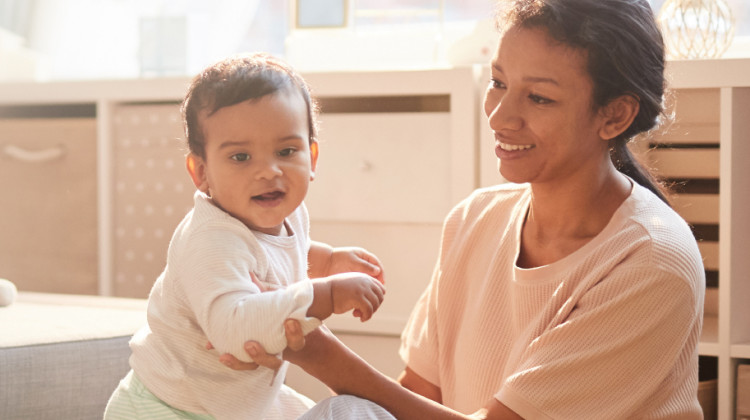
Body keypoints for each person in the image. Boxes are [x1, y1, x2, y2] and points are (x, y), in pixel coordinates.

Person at [221, 0, 706, 419]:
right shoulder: (476, 220)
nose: (499, 115)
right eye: (498, 83)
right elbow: (414, 397)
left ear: (614, 114)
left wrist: (314, 349)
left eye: (538, 97)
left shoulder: (652, 262)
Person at [103, 53, 386, 420]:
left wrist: (327, 260)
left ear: (312, 157)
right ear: (201, 172)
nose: (268, 171)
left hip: (238, 406)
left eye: (286, 151)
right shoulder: (209, 239)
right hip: (169, 408)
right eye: (240, 157)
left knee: (350, 413)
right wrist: (325, 294)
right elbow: (234, 329)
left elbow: (278, 254)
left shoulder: (289, 215)